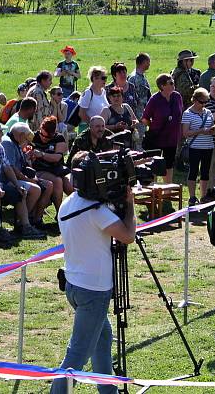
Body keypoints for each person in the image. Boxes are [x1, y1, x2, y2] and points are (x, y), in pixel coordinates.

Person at [49, 152, 136, 394]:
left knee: (102, 340)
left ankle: (109, 391)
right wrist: (129, 203)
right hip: (93, 290)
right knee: (77, 357)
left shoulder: (68, 203)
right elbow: (128, 236)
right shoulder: (97, 211)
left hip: (74, 285)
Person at [0, 120, 45, 238]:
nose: (2, 134)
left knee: (19, 191)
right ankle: (21, 226)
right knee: (19, 192)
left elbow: (7, 168)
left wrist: (17, 185)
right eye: (0, 131)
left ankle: (24, 225)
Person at [141, 74, 183, 183]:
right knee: (154, 164)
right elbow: (145, 118)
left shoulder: (177, 97)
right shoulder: (155, 99)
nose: (174, 85)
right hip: (157, 138)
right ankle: (153, 191)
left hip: (172, 139)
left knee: (169, 165)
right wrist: (154, 125)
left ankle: (167, 191)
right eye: (171, 83)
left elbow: (180, 115)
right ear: (162, 86)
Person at [182, 88, 215, 206]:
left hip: (208, 146)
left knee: (205, 172)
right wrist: (201, 131)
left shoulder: (208, 112)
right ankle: (192, 197)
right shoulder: (187, 113)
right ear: (195, 100)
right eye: (202, 102)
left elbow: (211, 127)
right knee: (193, 171)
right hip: (194, 147)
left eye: (206, 102)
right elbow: (185, 133)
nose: (204, 104)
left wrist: (212, 130)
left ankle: (203, 196)